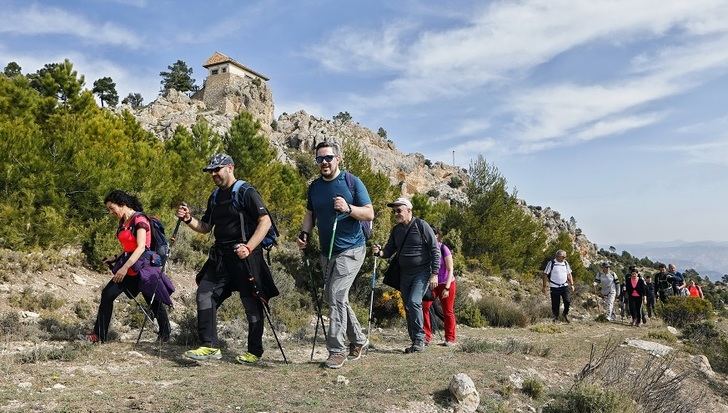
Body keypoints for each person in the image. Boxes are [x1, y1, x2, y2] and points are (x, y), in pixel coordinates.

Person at [178, 153, 279, 364]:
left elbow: (265, 221)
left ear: (230, 168)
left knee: (251, 303)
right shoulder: (214, 197)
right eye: (211, 171)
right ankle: (209, 346)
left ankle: (254, 351)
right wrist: (188, 219)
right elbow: (205, 227)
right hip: (221, 257)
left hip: (245, 257)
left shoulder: (246, 192)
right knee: (205, 294)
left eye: (217, 169)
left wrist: (249, 247)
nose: (214, 174)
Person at [297, 141, 374, 369]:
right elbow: (310, 213)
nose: (324, 163)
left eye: (328, 158)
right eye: (320, 159)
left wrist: (348, 208)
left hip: (351, 249)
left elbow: (369, 213)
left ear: (337, 158)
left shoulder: (352, 182)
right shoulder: (314, 187)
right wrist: (304, 233)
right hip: (326, 251)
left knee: (336, 295)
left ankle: (337, 350)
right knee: (337, 298)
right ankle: (359, 340)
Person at [88, 190, 172, 343]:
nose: (110, 212)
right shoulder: (124, 222)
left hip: (144, 268)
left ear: (122, 204)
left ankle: (165, 333)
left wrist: (124, 268)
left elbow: (140, 247)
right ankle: (99, 335)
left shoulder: (140, 220)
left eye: (112, 208)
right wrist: (114, 258)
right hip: (129, 266)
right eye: (108, 209)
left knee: (152, 300)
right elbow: (129, 247)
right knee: (107, 294)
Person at [373, 197, 440, 353]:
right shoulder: (396, 230)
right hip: (404, 274)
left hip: (422, 273)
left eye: (399, 210)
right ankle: (415, 341)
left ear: (409, 210)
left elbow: (434, 250)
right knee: (408, 307)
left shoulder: (422, 226)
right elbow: (389, 251)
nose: (396, 213)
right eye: (394, 211)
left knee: (414, 302)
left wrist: (435, 273)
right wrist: (379, 252)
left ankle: (420, 339)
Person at [422, 226, 456, 346]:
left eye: (431, 233)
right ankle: (426, 337)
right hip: (432, 284)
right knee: (424, 307)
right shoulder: (425, 249)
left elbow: (450, 269)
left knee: (448, 311)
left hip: (447, 283)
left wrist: (446, 288)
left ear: (436, 235)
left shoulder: (443, 248)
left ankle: (450, 339)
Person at [542, 250, 575, 323]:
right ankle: (555, 317)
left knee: (567, 301)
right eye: (563, 257)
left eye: (565, 257)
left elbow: (569, 274)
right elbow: (545, 274)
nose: (564, 258)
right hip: (554, 287)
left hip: (564, 286)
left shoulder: (565, 263)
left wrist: (572, 284)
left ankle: (565, 314)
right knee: (555, 304)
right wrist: (544, 286)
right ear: (557, 256)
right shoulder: (551, 263)